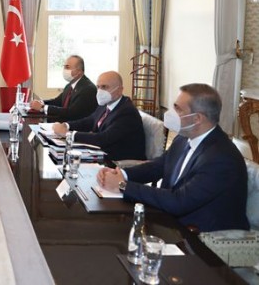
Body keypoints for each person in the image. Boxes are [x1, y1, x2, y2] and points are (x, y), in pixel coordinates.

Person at [97, 83, 249, 232]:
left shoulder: (221, 158)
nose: (171, 113)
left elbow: (179, 201)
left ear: (197, 118)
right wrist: (121, 174)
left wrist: (123, 185)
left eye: (178, 109)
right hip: (169, 219)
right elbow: (158, 166)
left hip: (200, 235)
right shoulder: (183, 138)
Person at [52, 71, 145, 161]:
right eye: (98, 87)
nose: (100, 91)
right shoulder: (105, 104)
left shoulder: (127, 112)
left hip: (119, 163)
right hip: (101, 154)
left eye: (104, 87)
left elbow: (104, 138)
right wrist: (66, 125)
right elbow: (90, 121)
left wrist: (69, 134)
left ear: (119, 90)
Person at [30, 55, 97, 121]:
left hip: (76, 126)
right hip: (64, 123)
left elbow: (71, 112)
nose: (64, 70)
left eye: (67, 67)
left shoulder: (88, 89)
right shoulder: (70, 85)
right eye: (64, 67)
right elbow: (57, 101)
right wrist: (41, 102)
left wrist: (43, 107)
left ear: (79, 72)